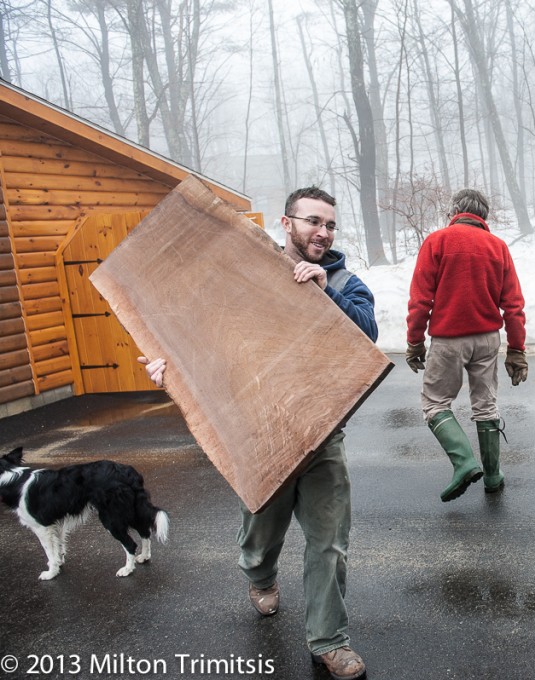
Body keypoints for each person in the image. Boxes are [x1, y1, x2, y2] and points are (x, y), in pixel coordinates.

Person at [139, 187, 376, 680]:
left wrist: (323, 291)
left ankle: (329, 641)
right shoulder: (245, 273)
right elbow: (209, 331)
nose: (324, 233)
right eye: (313, 222)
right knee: (263, 530)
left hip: (322, 432)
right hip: (260, 434)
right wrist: (171, 370)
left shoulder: (345, 280)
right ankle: (259, 572)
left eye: (330, 225)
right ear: (287, 223)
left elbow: (366, 337)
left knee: (329, 542)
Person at [405, 188, 527, 502]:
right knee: (485, 405)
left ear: (454, 212)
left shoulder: (437, 242)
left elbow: (421, 300)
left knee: (434, 403)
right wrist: (516, 350)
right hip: (487, 340)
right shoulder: (498, 246)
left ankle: (464, 463)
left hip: (448, 340)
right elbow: (513, 305)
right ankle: (492, 476)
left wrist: (415, 342)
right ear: (483, 216)